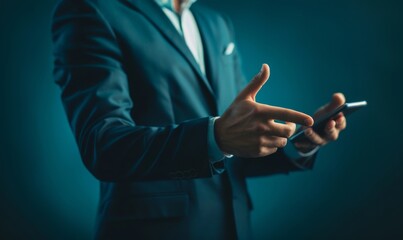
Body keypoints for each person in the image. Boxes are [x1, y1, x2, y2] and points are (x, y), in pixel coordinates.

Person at [52, 0, 347, 239]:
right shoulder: (92, 10)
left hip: (234, 226)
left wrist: (302, 141)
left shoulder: (216, 23)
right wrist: (214, 137)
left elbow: (236, 145)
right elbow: (103, 145)